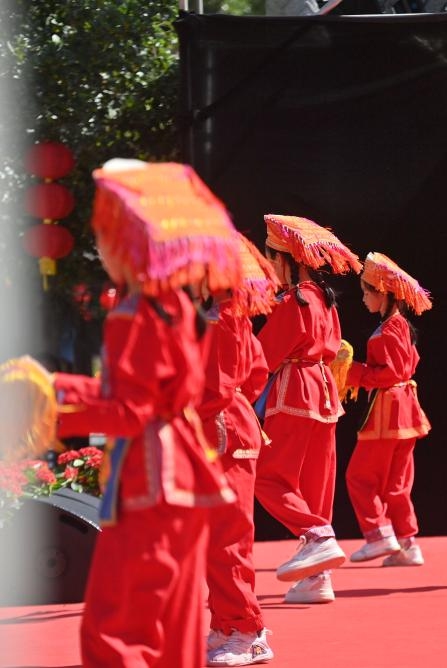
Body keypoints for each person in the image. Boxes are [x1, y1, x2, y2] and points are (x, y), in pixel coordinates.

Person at [53, 160, 242, 667]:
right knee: (175, 630)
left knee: (115, 627)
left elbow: (130, 411)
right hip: (186, 473)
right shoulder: (177, 305)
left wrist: (51, 404)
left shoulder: (132, 312)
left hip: (149, 479)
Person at [254, 214, 361, 602]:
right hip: (324, 391)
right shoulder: (324, 298)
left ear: (282, 259)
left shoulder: (293, 300)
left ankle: (317, 536)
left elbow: (263, 357)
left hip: (295, 390)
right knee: (318, 483)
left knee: (268, 477)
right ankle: (318, 576)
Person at [199, 235, 278, 665]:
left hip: (221, 430)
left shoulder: (220, 317)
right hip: (227, 429)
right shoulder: (228, 313)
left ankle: (246, 631)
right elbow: (257, 373)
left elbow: (214, 388)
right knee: (220, 539)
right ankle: (228, 624)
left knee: (227, 540)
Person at [345, 252, 432, 566]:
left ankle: (378, 533)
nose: (364, 299)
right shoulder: (399, 326)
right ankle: (408, 543)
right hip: (405, 409)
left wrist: (351, 371)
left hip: (389, 408)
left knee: (360, 477)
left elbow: (391, 373)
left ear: (381, 293)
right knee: (396, 483)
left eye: (366, 292)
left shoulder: (390, 328)